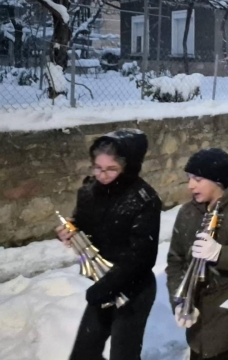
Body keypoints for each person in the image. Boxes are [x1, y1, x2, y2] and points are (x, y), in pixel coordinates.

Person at [58, 130, 161, 360]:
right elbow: (83, 224)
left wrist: (106, 287)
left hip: (133, 289)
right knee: (83, 353)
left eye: (111, 169)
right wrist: (70, 231)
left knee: (123, 356)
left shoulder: (144, 199)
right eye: (98, 167)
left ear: (128, 167)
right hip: (103, 282)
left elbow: (142, 256)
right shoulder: (89, 191)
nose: (102, 175)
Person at [166, 149, 228, 360]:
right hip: (198, 312)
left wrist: (221, 253)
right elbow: (175, 262)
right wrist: (180, 301)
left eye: (198, 179)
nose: (191, 185)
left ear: (218, 181)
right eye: (189, 179)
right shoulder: (186, 213)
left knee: (217, 352)